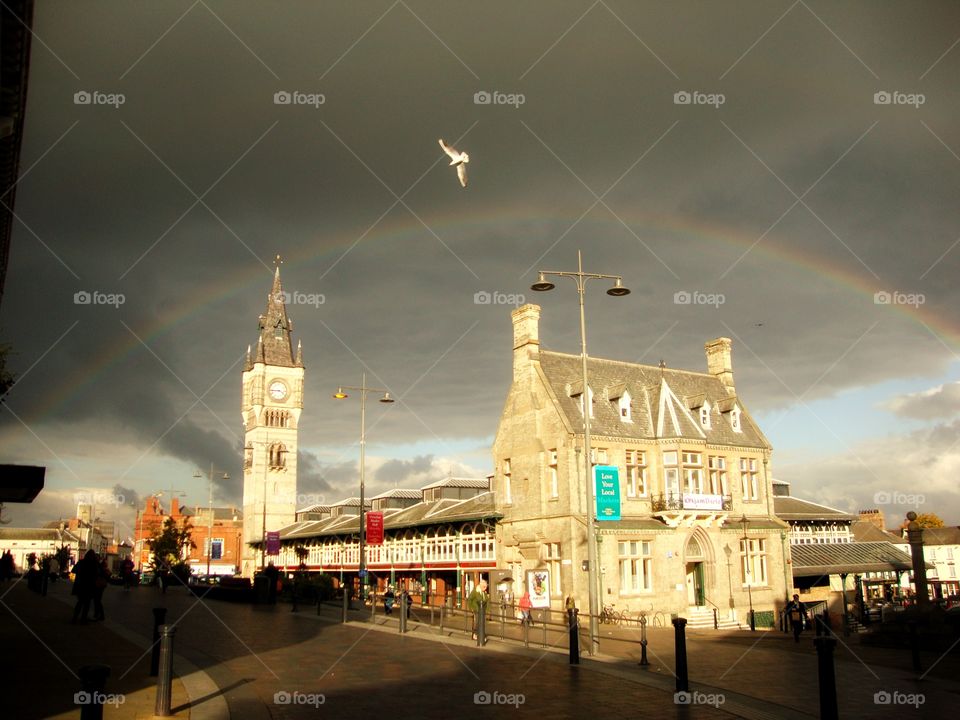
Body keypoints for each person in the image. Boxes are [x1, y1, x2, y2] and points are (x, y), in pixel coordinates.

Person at [71, 550, 98, 624]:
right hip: (89, 586)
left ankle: (74, 618)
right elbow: (97, 574)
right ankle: (83, 619)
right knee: (87, 604)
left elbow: (73, 570)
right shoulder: (94, 564)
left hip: (80, 585)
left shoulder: (81, 562)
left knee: (80, 602)